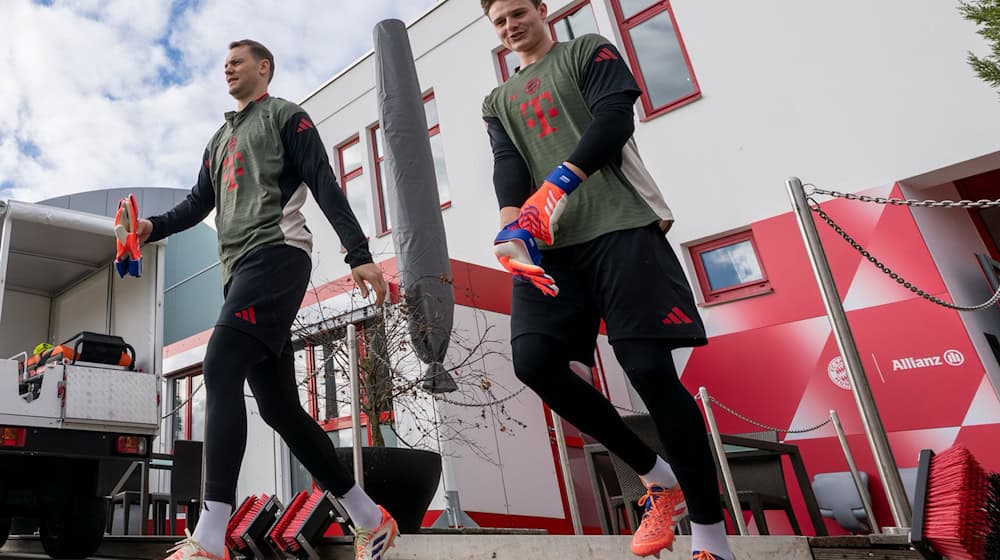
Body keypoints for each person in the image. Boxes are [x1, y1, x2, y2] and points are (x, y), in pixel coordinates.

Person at [481, 2, 734, 559]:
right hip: (551, 248)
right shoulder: (497, 99)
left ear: (541, 10)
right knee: (533, 362)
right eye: (499, 22)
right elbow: (508, 164)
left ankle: (713, 540)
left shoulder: (588, 50)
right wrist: (509, 231)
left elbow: (614, 119)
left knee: (647, 370)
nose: (510, 26)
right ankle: (655, 476)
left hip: (620, 226)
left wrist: (558, 186)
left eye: (518, 12)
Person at [137, 40, 397, 560]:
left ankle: (212, 533)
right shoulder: (218, 140)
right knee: (280, 409)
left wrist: (358, 252)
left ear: (264, 67)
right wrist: (150, 226)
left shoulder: (285, 117)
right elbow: (196, 204)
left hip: (277, 254)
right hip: (239, 273)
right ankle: (372, 517)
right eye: (224, 64)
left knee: (220, 362)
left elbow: (324, 181)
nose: (228, 68)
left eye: (238, 61)